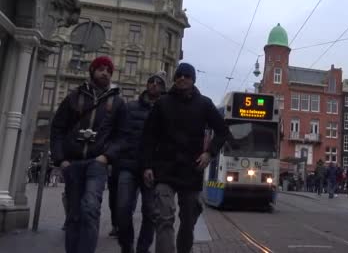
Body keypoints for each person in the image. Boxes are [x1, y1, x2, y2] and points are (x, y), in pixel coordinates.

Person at [141, 63, 234, 253]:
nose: (182, 78)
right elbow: (148, 136)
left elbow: (223, 131)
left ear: (193, 80)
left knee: (188, 221)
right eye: (179, 75)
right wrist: (147, 165)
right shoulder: (162, 103)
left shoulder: (204, 104)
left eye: (187, 76)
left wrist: (209, 153)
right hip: (164, 170)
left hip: (191, 171)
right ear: (175, 78)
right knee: (164, 218)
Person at [51, 56, 128, 253]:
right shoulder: (74, 97)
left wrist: (107, 157)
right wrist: (61, 160)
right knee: (74, 215)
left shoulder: (118, 102)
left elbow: (122, 136)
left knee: (90, 209)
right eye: (101, 69)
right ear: (92, 71)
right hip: (73, 163)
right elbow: (58, 128)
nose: (105, 73)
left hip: (97, 163)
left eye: (109, 71)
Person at [116, 72, 167, 253]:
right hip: (128, 164)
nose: (154, 85)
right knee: (122, 208)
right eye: (151, 82)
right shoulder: (130, 108)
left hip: (153, 169)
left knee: (150, 212)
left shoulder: (165, 110)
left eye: (158, 83)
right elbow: (120, 133)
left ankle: (143, 248)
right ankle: (126, 245)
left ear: (163, 87)